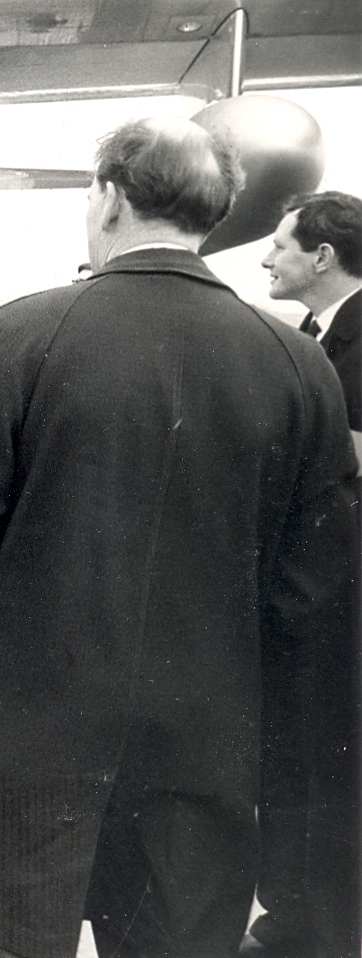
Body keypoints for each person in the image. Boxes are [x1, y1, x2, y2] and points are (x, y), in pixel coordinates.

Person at [0, 118, 359, 958]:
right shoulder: (296, 364)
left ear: (108, 196)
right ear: (213, 215)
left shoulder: (21, 333)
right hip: (201, 750)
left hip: (19, 737)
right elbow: (317, 575)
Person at [247, 190, 362, 957]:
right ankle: (295, 914)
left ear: (321, 257)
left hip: (338, 603)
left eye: (281, 246)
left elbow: (341, 471)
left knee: (324, 765)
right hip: (323, 594)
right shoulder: (328, 335)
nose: (266, 256)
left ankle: (315, 929)